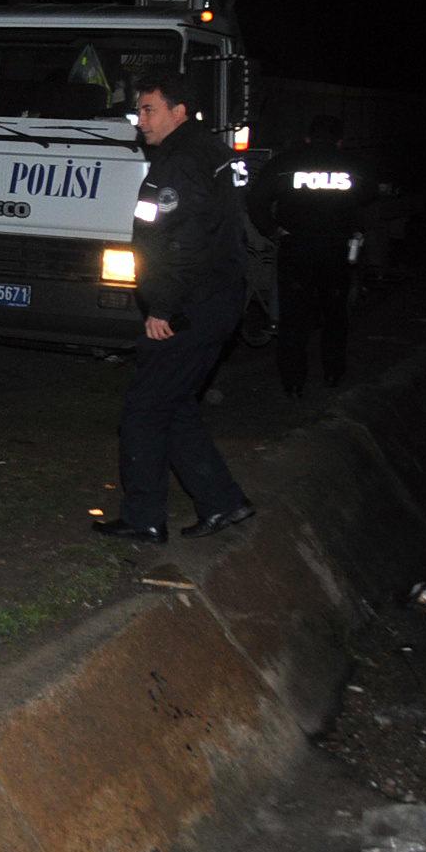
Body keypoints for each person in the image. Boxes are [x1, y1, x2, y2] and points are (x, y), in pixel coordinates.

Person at [94, 73, 255, 543]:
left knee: (144, 409)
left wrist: (162, 307)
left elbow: (181, 246)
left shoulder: (181, 163)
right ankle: (224, 502)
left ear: (179, 111)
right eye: (138, 111)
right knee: (175, 403)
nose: (139, 121)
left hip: (191, 307)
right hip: (214, 300)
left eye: (148, 110)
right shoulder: (203, 152)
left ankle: (144, 518)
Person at [248, 114, 376, 397]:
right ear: (340, 141)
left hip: (296, 250)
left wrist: (273, 231)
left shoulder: (285, 164)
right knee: (335, 314)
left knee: (293, 319)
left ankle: (293, 383)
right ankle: (333, 373)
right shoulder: (353, 167)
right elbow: (368, 197)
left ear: (307, 138)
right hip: (336, 252)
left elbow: (256, 200)